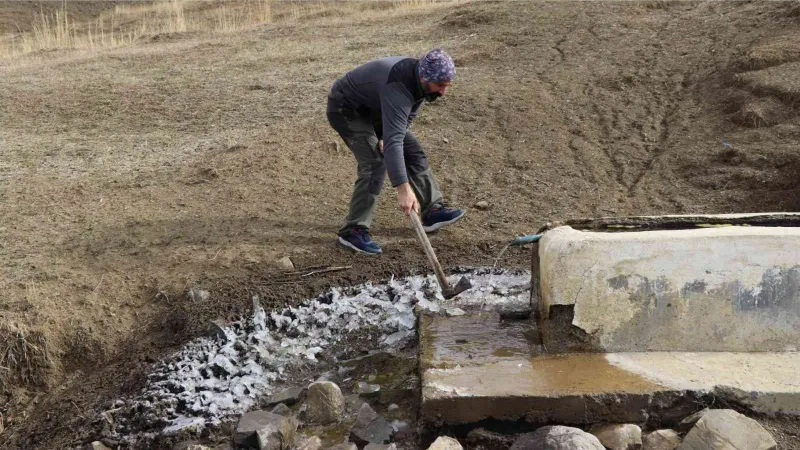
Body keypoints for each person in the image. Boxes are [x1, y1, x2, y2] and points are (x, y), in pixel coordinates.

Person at [326, 48, 466, 255]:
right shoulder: (398, 87)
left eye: (447, 86)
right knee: (375, 162)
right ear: (424, 77)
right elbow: (394, 142)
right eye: (440, 85)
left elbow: (405, 121)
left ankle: (432, 210)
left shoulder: (420, 83)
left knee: (413, 151)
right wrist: (403, 189)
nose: (443, 91)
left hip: (376, 110)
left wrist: (385, 136)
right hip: (346, 109)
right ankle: (353, 230)